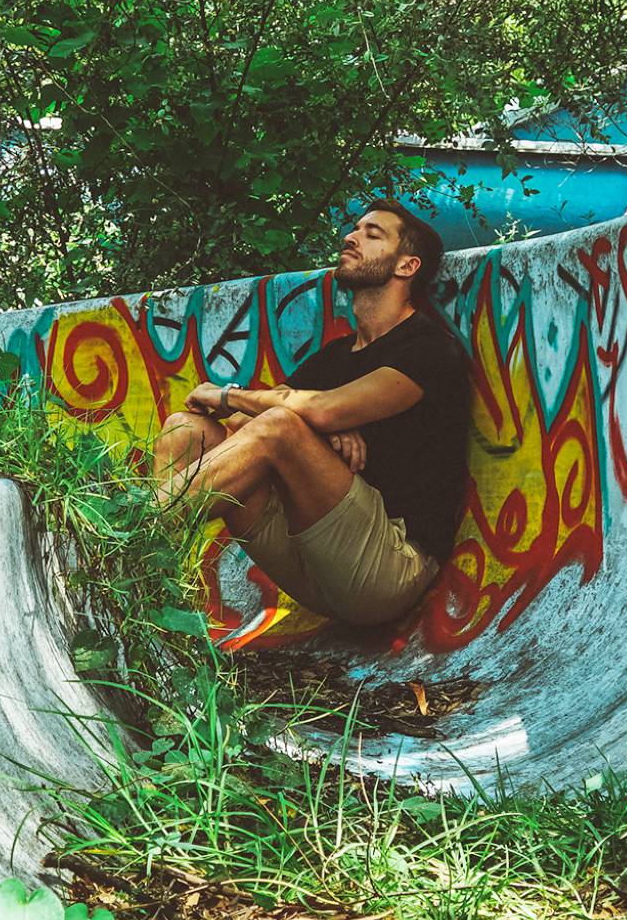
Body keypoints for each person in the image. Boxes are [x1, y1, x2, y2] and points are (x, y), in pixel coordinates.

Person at [152, 199, 469, 628]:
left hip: (389, 566)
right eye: (355, 229)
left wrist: (228, 395)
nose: (351, 237)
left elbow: (313, 411)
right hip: (314, 563)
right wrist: (317, 430)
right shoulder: (334, 357)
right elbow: (246, 427)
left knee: (282, 424)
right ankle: (149, 595)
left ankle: (129, 531)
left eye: (372, 234)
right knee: (186, 429)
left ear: (406, 266)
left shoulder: (428, 349)